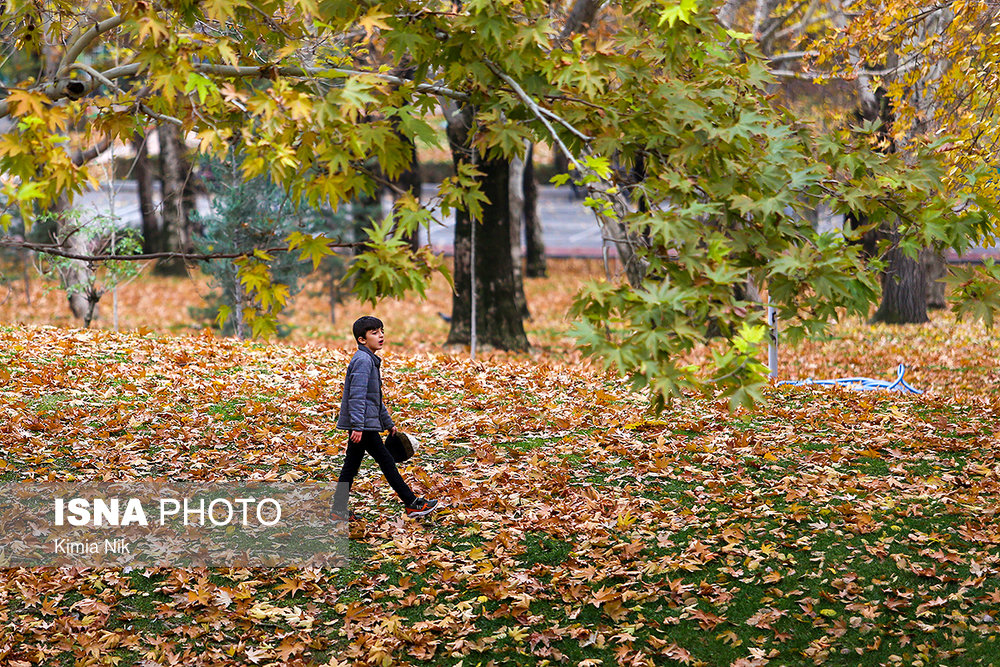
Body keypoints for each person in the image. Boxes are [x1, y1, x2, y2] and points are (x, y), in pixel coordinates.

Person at [332, 315, 439, 520]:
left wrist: (388, 423)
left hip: (365, 423)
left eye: (382, 331)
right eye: (374, 333)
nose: (380, 336)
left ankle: (337, 509)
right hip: (363, 425)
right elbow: (357, 396)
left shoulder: (369, 360)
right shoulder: (363, 361)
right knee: (386, 461)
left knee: (351, 465)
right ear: (362, 339)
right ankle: (411, 503)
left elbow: (374, 398)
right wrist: (357, 426)